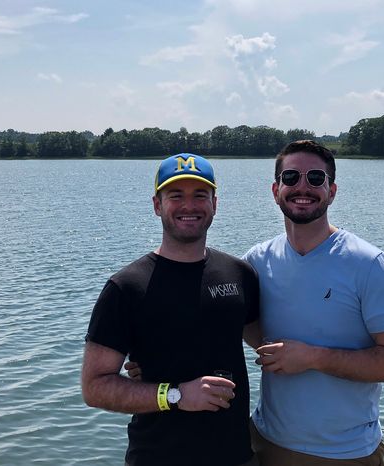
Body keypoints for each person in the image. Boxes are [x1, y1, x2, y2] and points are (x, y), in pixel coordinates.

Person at [244, 140, 384, 466]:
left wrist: (313, 358)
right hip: (264, 442)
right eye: (291, 177)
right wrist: (155, 362)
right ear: (275, 189)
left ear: (332, 191)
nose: (303, 187)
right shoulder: (256, 261)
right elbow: (220, 321)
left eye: (316, 179)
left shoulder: (368, 264)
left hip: (346, 453)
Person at [81, 153, 260, 466]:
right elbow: (94, 386)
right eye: (176, 195)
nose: (189, 206)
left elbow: (266, 342)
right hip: (158, 456)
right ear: (156, 205)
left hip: (236, 456)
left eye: (200, 195)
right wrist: (175, 395)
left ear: (215, 204)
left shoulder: (239, 274)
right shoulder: (126, 287)